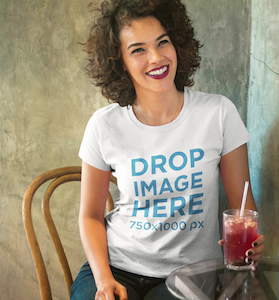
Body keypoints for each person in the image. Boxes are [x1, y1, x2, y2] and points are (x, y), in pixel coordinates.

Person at [71, 0, 265, 299]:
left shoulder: (218, 113)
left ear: (177, 43)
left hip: (192, 273)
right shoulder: (103, 125)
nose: (156, 57)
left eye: (163, 42)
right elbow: (91, 217)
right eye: (138, 50)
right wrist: (103, 279)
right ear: (119, 61)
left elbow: (242, 207)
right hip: (116, 267)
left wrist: (248, 242)